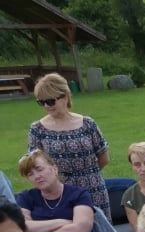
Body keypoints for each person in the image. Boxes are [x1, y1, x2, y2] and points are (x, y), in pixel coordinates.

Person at [27, 73, 110, 219]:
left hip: (93, 189)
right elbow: (34, 165)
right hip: (59, 193)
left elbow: (103, 157)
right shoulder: (37, 129)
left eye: (51, 101)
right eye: (41, 102)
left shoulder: (87, 124)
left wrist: (88, 175)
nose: (46, 106)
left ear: (65, 96)